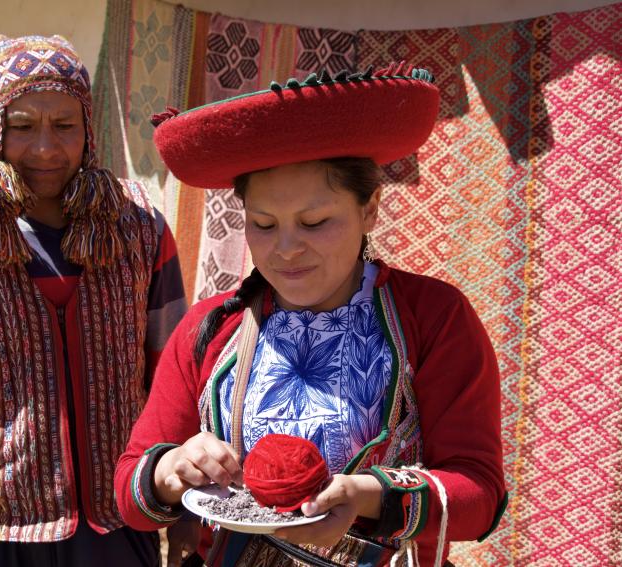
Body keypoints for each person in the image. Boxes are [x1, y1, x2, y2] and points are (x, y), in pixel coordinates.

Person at [115, 65, 507, 567]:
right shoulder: (211, 329)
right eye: (262, 223)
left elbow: (480, 494)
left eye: (315, 222)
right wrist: (169, 469)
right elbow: (131, 493)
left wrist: (369, 496)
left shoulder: (433, 318)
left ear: (370, 209)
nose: (285, 249)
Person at [0, 34, 186, 567]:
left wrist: (186, 513)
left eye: (64, 125)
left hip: (120, 526)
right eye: (23, 126)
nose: (46, 148)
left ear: (88, 128)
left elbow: (177, 382)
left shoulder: (140, 228)